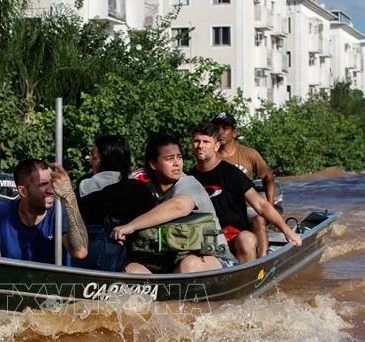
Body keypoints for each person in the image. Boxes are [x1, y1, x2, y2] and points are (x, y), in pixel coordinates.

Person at [111, 133, 237, 274]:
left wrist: (131, 226)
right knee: (131, 270)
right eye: (170, 159)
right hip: (168, 264)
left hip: (215, 260)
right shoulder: (146, 190)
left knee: (189, 265)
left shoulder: (189, 183)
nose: (177, 163)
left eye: (179, 157)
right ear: (153, 164)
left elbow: (179, 206)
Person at [188, 122, 302, 263]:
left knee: (247, 239)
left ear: (216, 146)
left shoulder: (231, 173)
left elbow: (261, 205)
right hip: (205, 239)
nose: (200, 146)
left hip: (235, 237)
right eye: (196, 141)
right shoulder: (188, 178)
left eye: (206, 141)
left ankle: (251, 276)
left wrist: (287, 231)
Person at [0, 159, 88, 264]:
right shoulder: (1, 214)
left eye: (52, 183)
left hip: (52, 290)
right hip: (14, 289)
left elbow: (80, 252)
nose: (51, 190)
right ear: (23, 191)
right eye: (43, 184)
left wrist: (69, 196)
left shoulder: (59, 212)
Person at [74, 135, 156, 271]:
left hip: (91, 260)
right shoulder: (141, 190)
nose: (91, 162)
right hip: (138, 262)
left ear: (102, 159)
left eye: (93, 157)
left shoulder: (84, 188)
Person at [212, 112, 276, 258]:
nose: (220, 132)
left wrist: (270, 205)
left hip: (247, 208)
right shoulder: (211, 156)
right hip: (220, 210)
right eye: (216, 128)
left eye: (225, 128)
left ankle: (262, 259)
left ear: (234, 132)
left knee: (259, 219)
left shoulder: (250, 154)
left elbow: (268, 177)